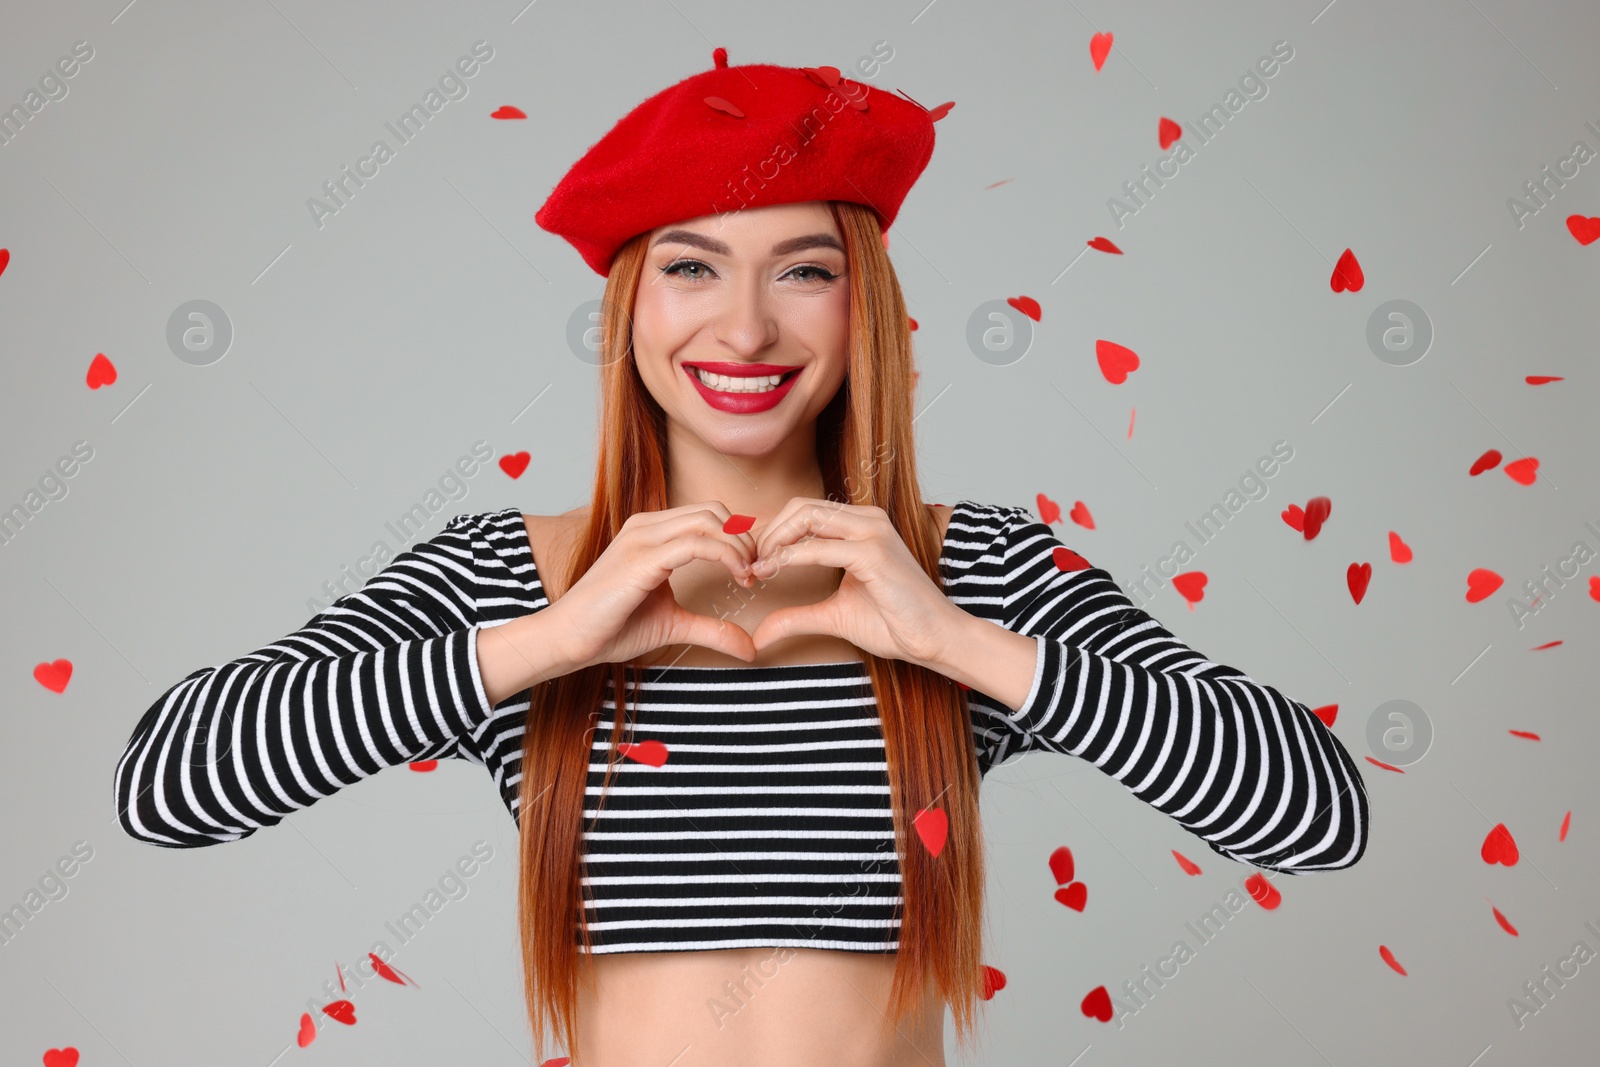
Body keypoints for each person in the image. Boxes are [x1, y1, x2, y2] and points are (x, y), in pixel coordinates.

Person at [114, 47, 1369, 1067]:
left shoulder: (969, 568)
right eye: (692, 267)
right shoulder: (515, 574)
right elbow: (167, 785)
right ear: (632, 307)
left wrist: (952, 641)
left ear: (858, 302)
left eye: (804, 269)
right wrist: (549, 642)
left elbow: (1318, 812)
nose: (747, 324)